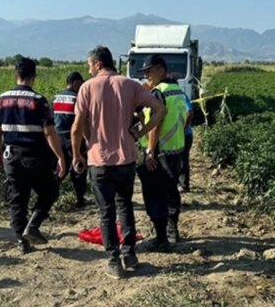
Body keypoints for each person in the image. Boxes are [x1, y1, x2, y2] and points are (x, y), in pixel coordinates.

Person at [71, 46, 166, 279]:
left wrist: (78, 153)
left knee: (106, 211)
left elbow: (76, 126)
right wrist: (139, 133)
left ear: (96, 64)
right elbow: (159, 109)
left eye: (89, 65)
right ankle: (130, 253)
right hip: (125, 158)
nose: (89, 69)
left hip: (98, 160)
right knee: (125, 205)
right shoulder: (130, 85)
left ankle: (114, 260)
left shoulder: (87, 87)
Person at [0, 57, 66, 254]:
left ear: (16, 75)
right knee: (50, 190)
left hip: (11, 157)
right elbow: (50, 132)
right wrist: (60, 156)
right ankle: (32, 226)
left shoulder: (1, 99)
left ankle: (21, 241)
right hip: (36, 157)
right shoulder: (39, 101)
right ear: (34, 77)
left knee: (18, 198)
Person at [136, 55, 188, 251]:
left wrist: (150, 149)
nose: (146, 76)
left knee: (155, 193)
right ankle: (172, 230)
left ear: (160, 70)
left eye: (149, 71)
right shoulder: (177, 91)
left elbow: (156, 124)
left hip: (159, 152)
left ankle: (160, 238)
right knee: (171, 191)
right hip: (177, 150)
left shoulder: (159, 93)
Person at [52, 72, 88, 207]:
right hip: (73, 137)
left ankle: (51, 197)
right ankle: (80, 199)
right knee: (79, 167)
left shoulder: (54, 98)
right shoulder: (77, 98)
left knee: (60, 168)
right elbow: (83, 122)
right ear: (74, 82)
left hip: (57, 138)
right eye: (80, 83)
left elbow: (50, 120)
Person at [178, 93, 194, 192]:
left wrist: (183, 129)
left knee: (182, 159)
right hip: (180, 135)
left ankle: (184, 185)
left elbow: (189, 112)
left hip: (185, 135)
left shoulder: (181, 96)